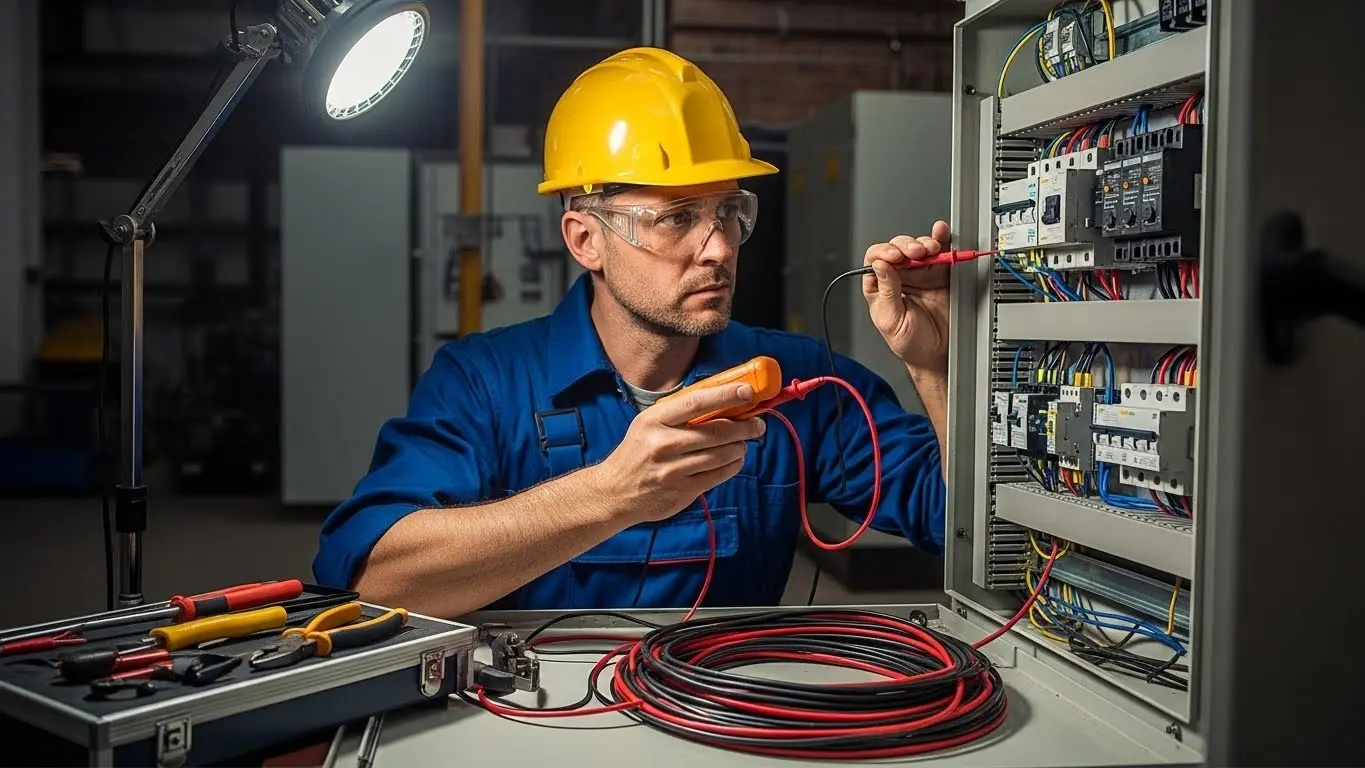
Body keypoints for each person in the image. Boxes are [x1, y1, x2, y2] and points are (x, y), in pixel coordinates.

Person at [312, 47, 953, 618]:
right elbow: (373, 580)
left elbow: (956, 520)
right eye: (677, 217)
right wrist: (612, 495)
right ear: (585, 239)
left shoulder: (794, 379)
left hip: (728, 712)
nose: (719, 248)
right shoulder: (483, 382)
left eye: (730, 212)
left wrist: (935, 368)